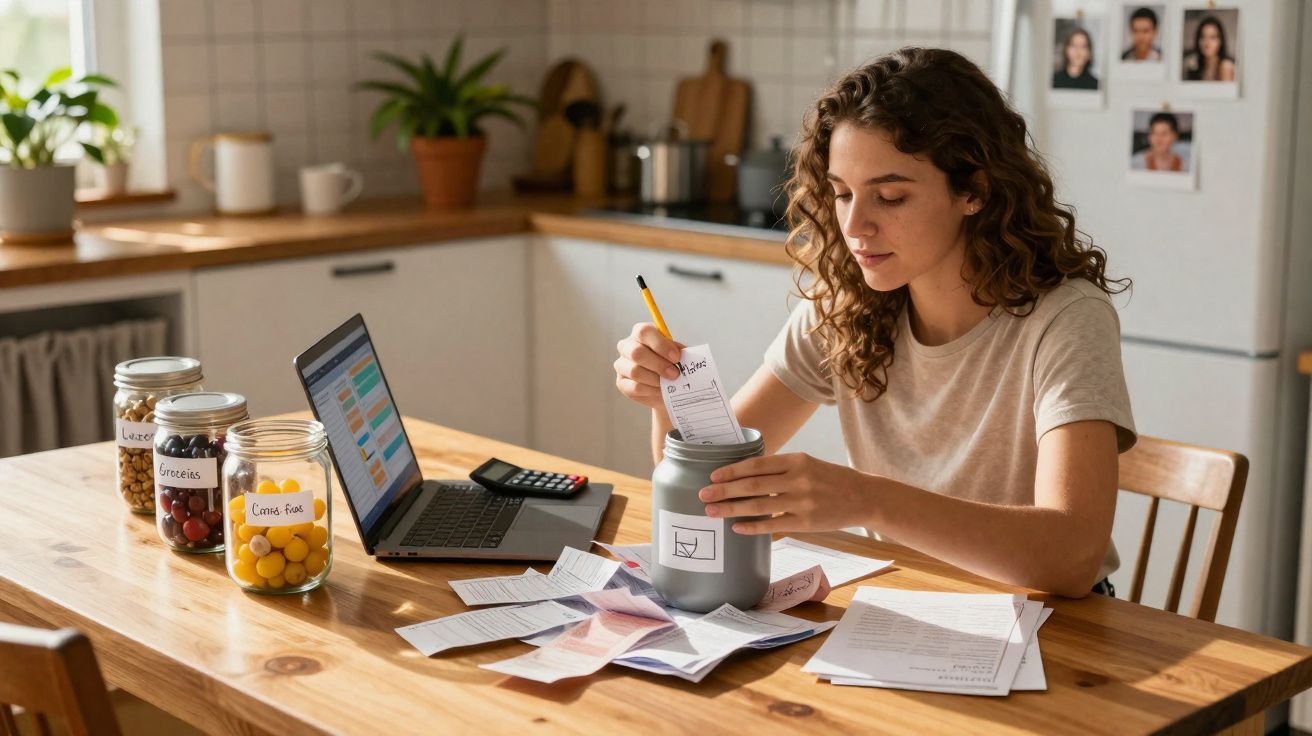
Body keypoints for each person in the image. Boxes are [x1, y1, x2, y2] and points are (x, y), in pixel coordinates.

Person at [614, 48, 1136, 599]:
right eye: (842, 194)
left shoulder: (1066, 320)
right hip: (904, 601)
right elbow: (708, 495)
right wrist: (665, 400)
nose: (855, 225)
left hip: (1054, 627)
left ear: (974, 190)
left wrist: (868, 499)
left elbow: (1074, 556)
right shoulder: (844, 306)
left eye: (890, 196)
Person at [1184, 15, 1236, 81]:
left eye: (1212, 37)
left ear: (1220, 41)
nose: (1207, 42)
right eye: (1203, 37)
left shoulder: (1226, 66)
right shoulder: (1196, 68)